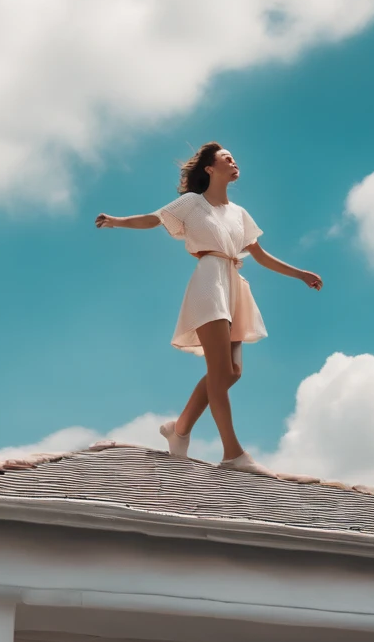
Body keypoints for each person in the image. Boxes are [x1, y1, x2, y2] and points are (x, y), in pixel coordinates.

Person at [95, 142, 322, 474]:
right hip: (208, 283)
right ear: (209, 169)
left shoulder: (239, 213)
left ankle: (180, 428)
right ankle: (233, 453)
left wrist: (299, 274)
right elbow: (154, 219)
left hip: (233, 284)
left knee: (231, 373)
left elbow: (259, 255)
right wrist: (116, 221)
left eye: (234, 157)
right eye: (226, 158)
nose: (234, 161)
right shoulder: (192, 203)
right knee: (220, 373)